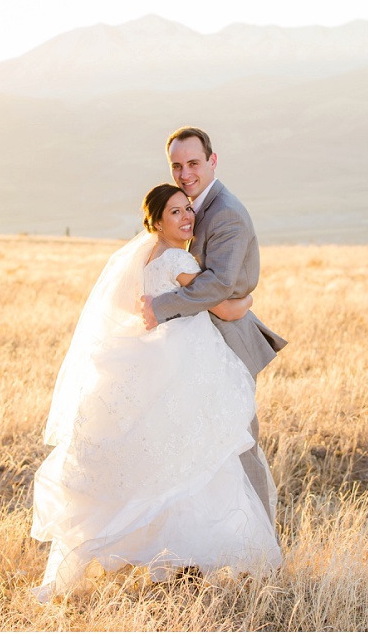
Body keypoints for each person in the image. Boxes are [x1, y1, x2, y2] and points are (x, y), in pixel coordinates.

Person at [30, 184, 282, 601]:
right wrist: (250, 295)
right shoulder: (180, 258)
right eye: (176, 213)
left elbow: (127, 305)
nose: (187, 218)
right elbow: (225, 305)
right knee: (197, 452)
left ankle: (166, 557)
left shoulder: (144, 258)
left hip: (161, 361)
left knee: (163, 454)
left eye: (188, 210)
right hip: (185, 366)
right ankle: (193, 554)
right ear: (157, 221)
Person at [141, 126, 287, 524]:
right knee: (201, 445)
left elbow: (218, 284)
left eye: (193, 163)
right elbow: (221, 296)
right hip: (202, 343)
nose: (185, 173)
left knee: (238, 442)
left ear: (212, 161)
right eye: (176, 165)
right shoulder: (193, 208)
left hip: (228, 344)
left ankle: (261, 548)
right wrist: (233, 304)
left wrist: (163, 306)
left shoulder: (226, 214)